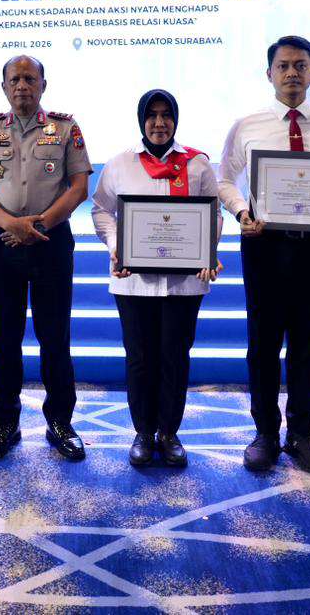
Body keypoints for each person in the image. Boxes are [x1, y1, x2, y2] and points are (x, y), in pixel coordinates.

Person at [219, 35, 310, 474]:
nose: (292, 73)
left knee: (306, 345)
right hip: (263, 244)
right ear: (269, 73)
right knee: (262, 344)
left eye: (300, 65)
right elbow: (224, 179)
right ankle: (264, 432)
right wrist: (242, 210)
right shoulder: (248, 124)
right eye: (283, 66)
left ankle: (302, 434)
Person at [0, 55, 92, 462]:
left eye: (30, 78)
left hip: (51, 240)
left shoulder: (66, 128)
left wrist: (40, 224)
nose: (22, 85)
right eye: (15, 79)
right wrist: (10, 224)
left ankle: (60, 423)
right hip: (2, 241)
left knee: (55, 338)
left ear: (43, 84)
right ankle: (5, 423)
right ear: (4, 86)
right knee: (5, 339)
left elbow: (79, 186)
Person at [91, 89, 222, 467]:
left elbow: (213, 215)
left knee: (175, 357)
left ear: (175, 119)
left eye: (166, 115)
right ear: (141, 120)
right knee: (140, 357)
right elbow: (101, 210)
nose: (160, 123)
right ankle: (143, 431)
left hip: (184, 283)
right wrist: (116, 245)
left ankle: (169, 432)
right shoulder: (121, 164)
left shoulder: (196, 165)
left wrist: (206, 252)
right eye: (152, 116)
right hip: (133, 282)